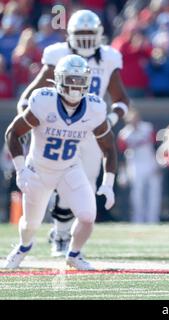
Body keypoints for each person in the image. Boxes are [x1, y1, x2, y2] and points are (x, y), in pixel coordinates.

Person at [16, 10, 130, 257]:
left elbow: (121, 100)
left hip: (88, 127)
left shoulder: (108, 58)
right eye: (81, 34)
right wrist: (33, 118)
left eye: (90, 33)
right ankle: (60, 233)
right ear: (70, 35)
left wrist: (108, 120)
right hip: (58, 125)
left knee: (85, 184)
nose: (86, 39)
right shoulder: (58, 54)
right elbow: (30, 95)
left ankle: (68, 238)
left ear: (99, 34)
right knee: (54, 179)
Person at [3, 55, 117, 270]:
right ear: (58, 80)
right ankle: (24, 247)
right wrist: (20, 170)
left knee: (87, 215)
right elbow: (12, 133)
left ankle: (73, 254)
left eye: (79, 80)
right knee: (30, 225)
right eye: (70, 79)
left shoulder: (94, 108)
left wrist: (108, 183)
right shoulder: (44, 102)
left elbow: (109, 148)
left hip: (69, 169)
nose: (75, 85)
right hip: (38, 168)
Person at [118, 109, 162, 223]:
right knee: (137, 195)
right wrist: (123, 173)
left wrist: (158, 164)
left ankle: (153, 219)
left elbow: (157, 147)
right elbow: (121, 155)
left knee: (154, 193)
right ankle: (138, 219)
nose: (134, 122)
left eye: (136, 119)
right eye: (131, 120)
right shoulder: (124, 134)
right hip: (135, 165)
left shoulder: (148, 128)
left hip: (150, 163)